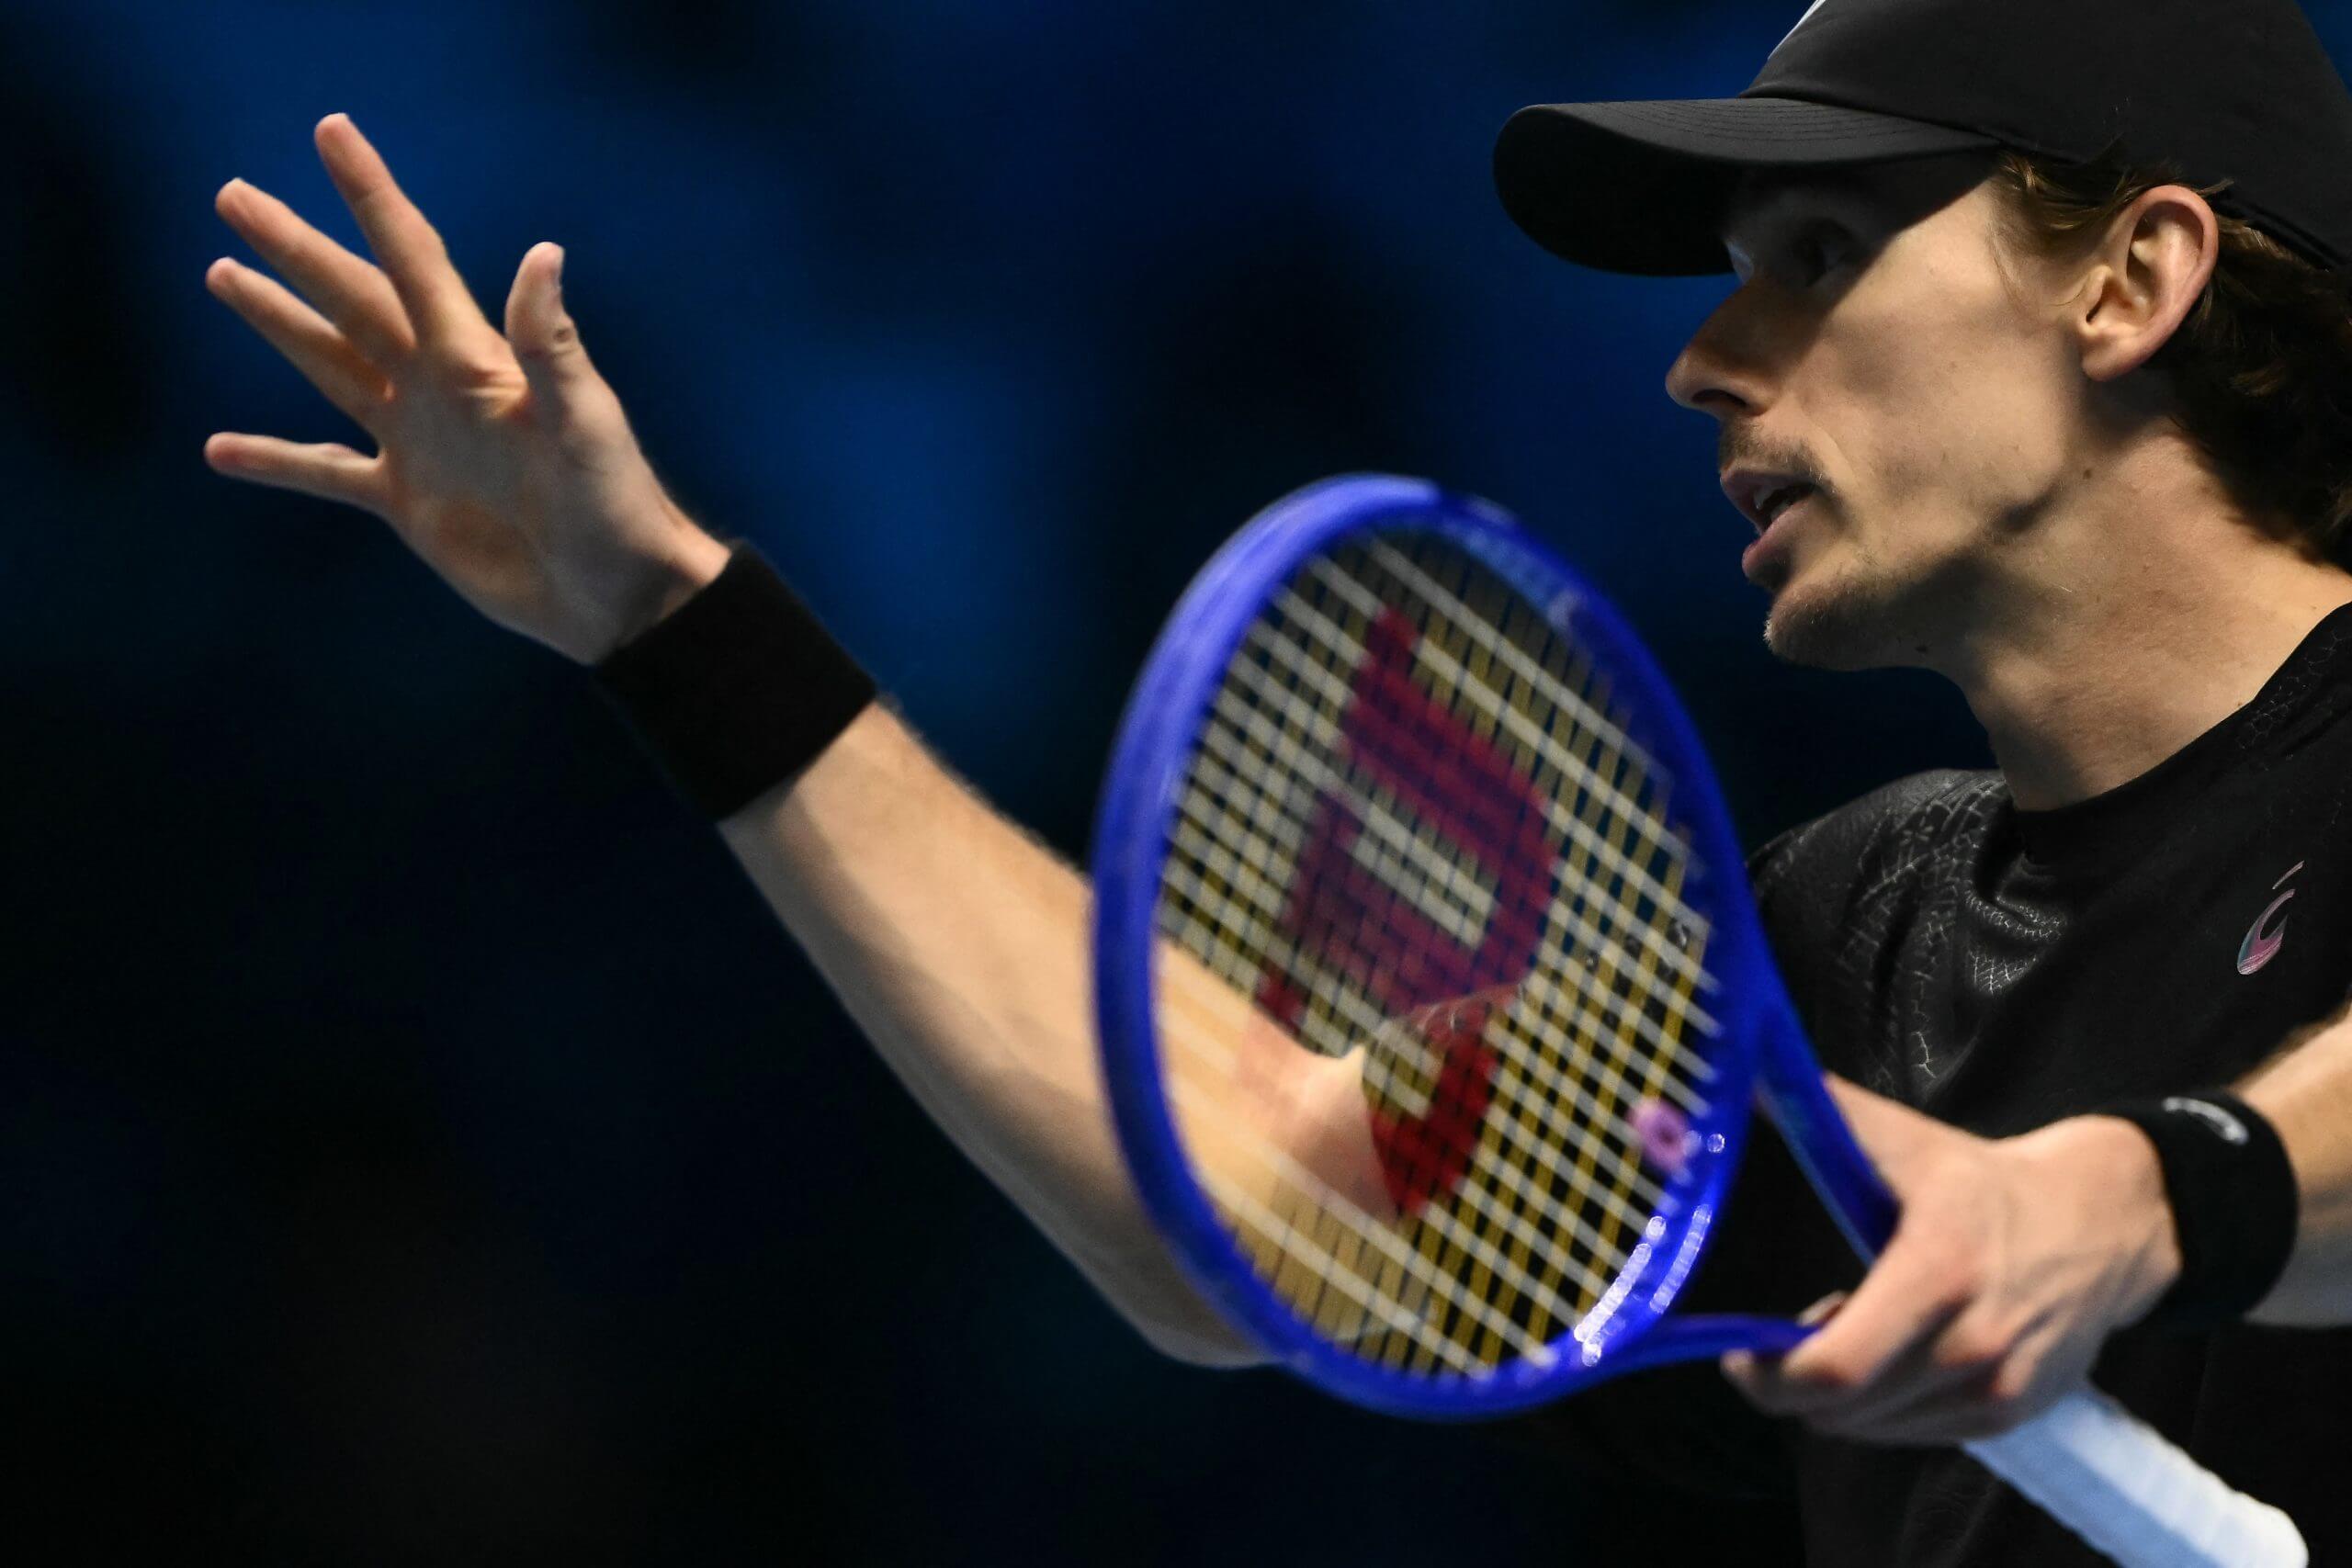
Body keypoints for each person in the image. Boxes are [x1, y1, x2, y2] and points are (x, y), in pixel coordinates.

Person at [199, 0, 2352, 1558]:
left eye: (1813, 256)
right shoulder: (1855, 939)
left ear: (2130, 277)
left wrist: (2135, 1193)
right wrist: (671, 619)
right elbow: (1236, 1205)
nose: (1704, 360)